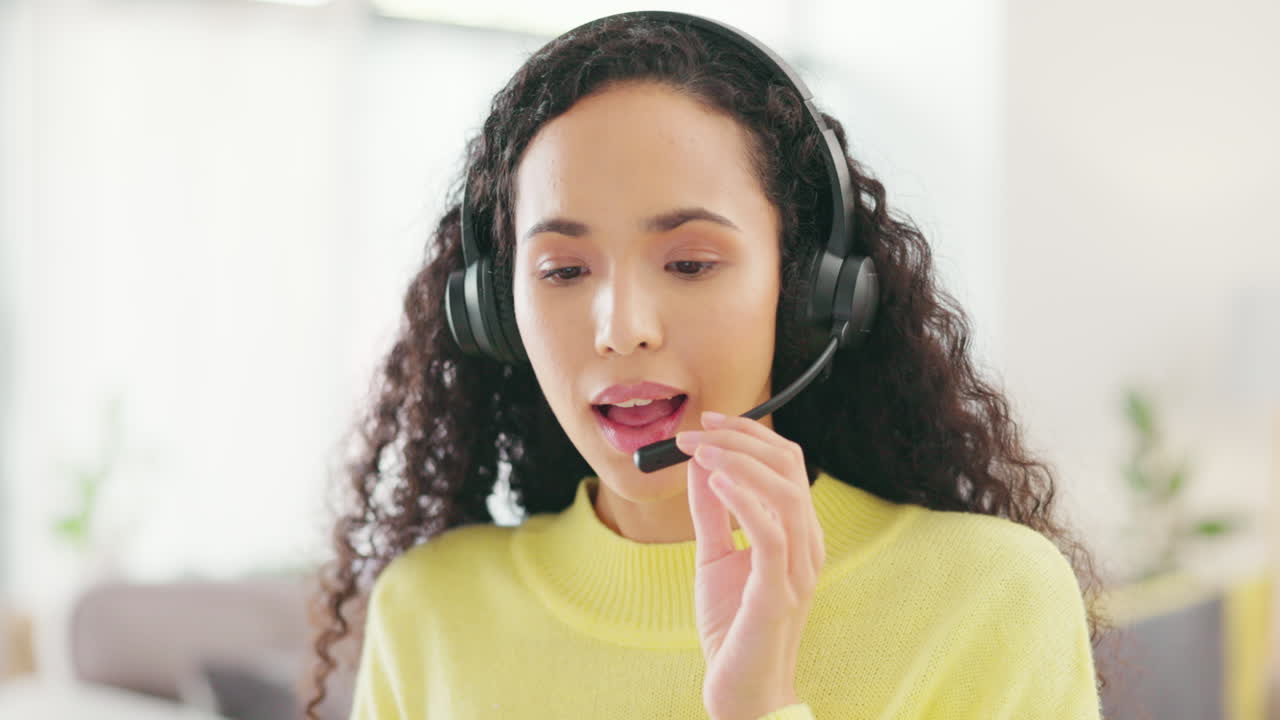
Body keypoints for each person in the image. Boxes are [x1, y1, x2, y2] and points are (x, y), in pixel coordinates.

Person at [304, 11, 1111, 720]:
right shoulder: (432, 611)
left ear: (804, 295)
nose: (621, 330)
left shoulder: (989, 598)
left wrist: (759, 706)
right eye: (562, 271)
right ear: (494, 314)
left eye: (689, 264)